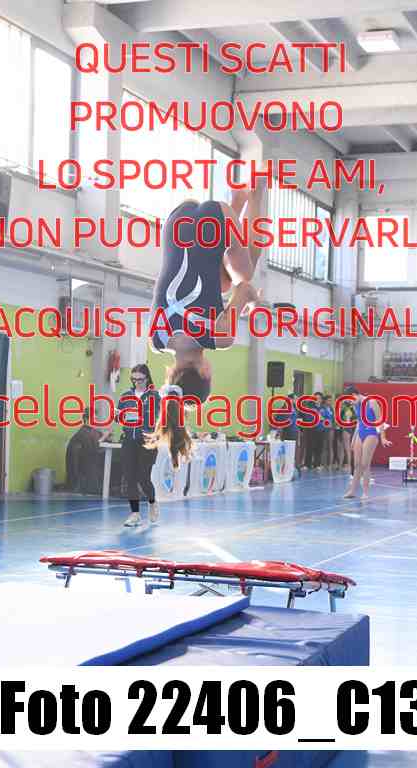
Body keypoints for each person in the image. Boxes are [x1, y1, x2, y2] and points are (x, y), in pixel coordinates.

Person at [149, 180, 267, 411]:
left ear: (204, 373)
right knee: (223, 283)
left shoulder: (219, 337)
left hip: (218, 217)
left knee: (245, 273)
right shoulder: (156, 339)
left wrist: (254, 304)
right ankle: (237, 200)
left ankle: (256, 193)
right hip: (176, 220)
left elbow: (244, 289)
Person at [117, 364, 163, 527]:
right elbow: (118, 417)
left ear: (147, 378)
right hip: (129, 440)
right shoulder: (125, 396)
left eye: (140, 379)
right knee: (130, 477)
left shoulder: (155, 396)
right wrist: (121, 416)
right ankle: (135, 514)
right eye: (134, 379)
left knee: (143, 477)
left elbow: (161, 419)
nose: (137, 382)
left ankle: (152, 502)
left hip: (147, 441)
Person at [343, 386, 392, 500]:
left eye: (350, 400)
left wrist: (383, 438)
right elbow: (359, 422)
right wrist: (353, 439)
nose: (350, 403)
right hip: (360, 432)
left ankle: (365, 492)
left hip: (371, 432)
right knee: (356, 464)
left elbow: (380, 420)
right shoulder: (356, 405)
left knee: (365, 464)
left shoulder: (372, 402)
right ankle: (352, 491)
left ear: (354, 395)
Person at [65, 407, 110, 494]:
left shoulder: (91, 432)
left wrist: (106, 437)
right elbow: (93, 449)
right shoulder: (83, 433)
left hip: (89, 467)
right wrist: (104, 437)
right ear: (86, 419)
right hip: (85, 470)